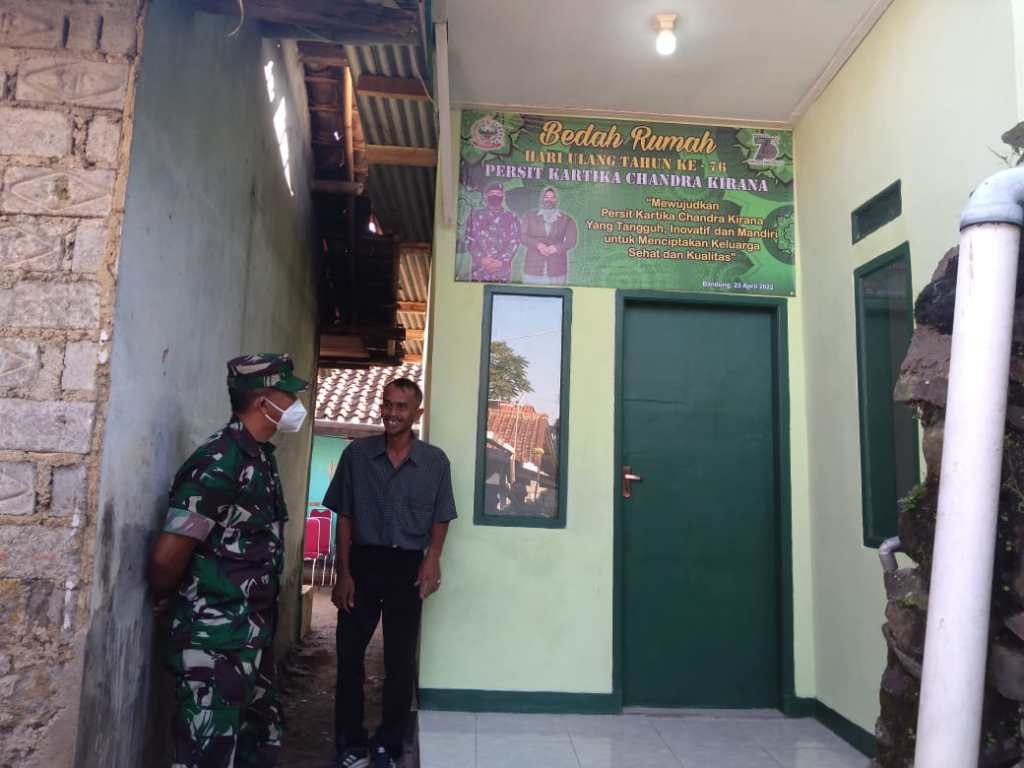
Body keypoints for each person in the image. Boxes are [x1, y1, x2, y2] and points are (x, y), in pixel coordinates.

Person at [148, 353, 309, 768]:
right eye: (289, 395)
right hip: (214, 642)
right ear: (263, 402)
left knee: (259, 741)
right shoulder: (220, 461)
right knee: (207, 753)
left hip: (250, 635)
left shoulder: (260, 457)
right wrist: (166, 598)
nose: (296, 405)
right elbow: (168, 556)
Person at [326, 378, 456, 768]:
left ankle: (389, 744)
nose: (392, 413)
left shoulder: (435, 462)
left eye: (401, 406)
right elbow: (344, 516)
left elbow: (441, 516)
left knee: (399, 661)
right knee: (350, 656)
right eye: (387, 404)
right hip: (362, 563)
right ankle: (351, 743)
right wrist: (343, 572)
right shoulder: (357, 455)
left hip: (407, 567)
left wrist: (432, 559)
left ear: (417, 413)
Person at [463, 181, 521, 282]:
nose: (495, 196)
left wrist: (501, 261)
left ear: (503, 196)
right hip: (479, 271)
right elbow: (469, 239)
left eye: (498, 193)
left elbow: (515, 241)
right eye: (492, 193)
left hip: (501, 271)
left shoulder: (511, 217)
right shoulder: (475, 215)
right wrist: (482, 259)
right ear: (486, 196)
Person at [522, 186, 578, 285]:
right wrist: (538, 245)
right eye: (546, 197)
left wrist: (556, 248)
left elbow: (571, 241)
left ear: (557, 200)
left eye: (552, 197)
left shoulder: (567, 219)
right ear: (541, 199)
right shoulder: (530, 216)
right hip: (533, 268)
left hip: (557, 269)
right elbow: (522, 236)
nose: (549, 200)